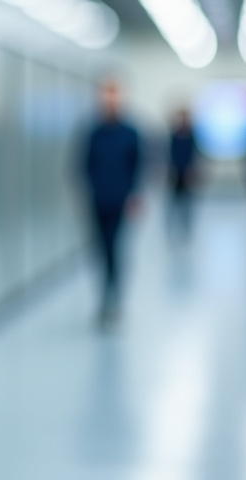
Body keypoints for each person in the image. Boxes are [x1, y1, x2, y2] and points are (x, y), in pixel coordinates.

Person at [81, 79, 143, 329]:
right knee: (101, 250)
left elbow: (137, 166)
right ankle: (104, 296)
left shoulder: (130, 133)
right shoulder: (93, 132)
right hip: (98, 200)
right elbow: (84, 164)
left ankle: (114, 298)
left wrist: (134, 196)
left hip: (121, 201)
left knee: (116, 249)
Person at [166, 107, 198, 246]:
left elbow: (194, 155)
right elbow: (170, 155)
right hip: (176, 175)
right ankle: (172, 231)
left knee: (187, 205)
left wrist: (192, 172)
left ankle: (186, 231)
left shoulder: (191, 136)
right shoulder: (174, 135)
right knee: (173, 205)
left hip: (187, 175)